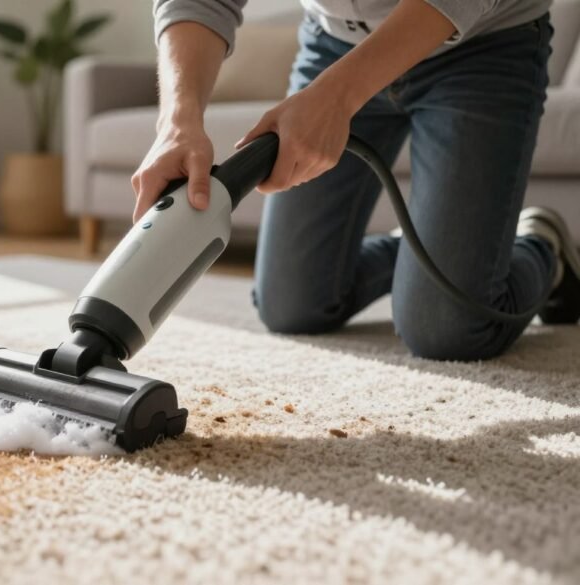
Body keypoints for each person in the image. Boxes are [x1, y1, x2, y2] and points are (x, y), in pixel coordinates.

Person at [136, 0, 580, 360]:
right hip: (334, 42)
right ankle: (432, 249)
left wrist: (338, 96)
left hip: (484, 42)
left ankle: (543, 246)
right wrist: (177, 121)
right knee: (291, 307)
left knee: (447, 330)